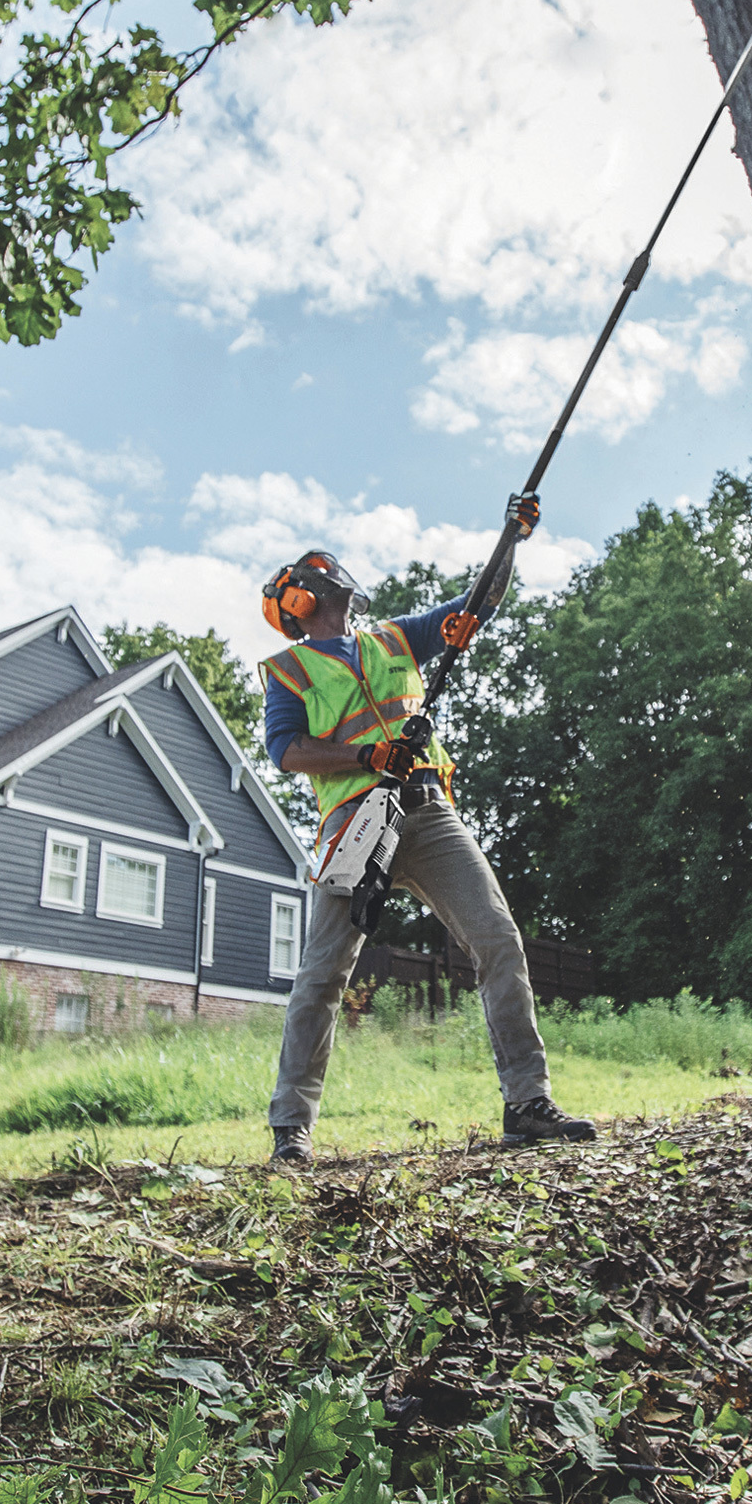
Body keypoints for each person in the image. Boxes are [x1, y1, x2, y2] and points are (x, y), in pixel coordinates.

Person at [257, 496, 596, 1171]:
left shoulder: (393, 637)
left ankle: (527, 1104)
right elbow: (286, 751)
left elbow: (476, 605)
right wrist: (364, 759)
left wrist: (512, 541)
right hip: (353, 824)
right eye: (314, 576)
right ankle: (291, 1131)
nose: (329, 578)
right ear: (298, 599)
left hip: (426, 810)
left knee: (497, 938)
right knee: (323, 976)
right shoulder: (289, 672)